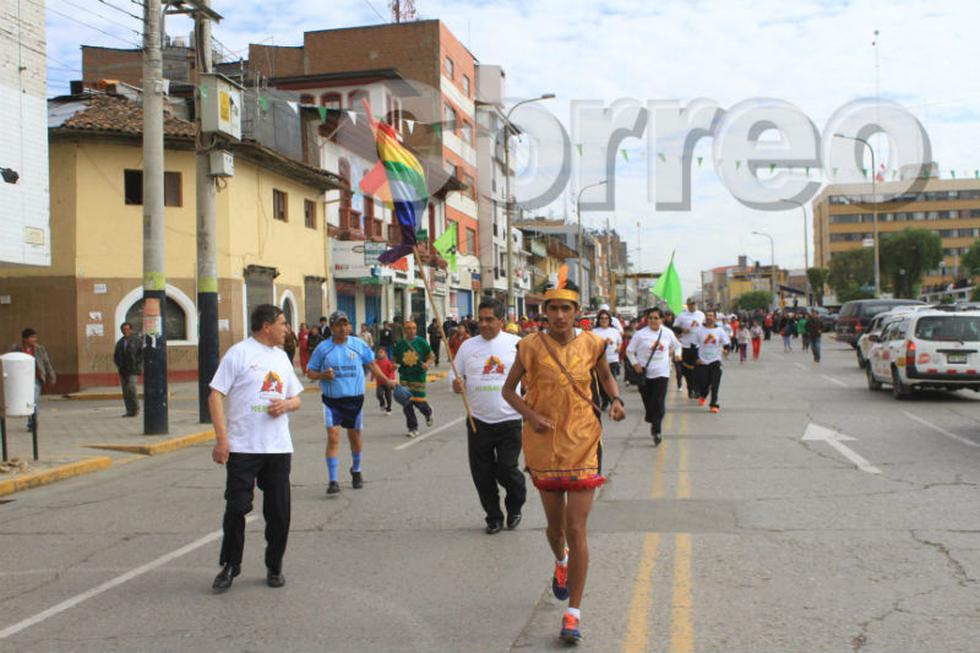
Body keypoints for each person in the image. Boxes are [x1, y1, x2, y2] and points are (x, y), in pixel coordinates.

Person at [502, 277, 625, 645]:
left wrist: (616, 400)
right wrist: (530, 415)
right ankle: (561, 561)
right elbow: (508, 390)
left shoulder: (593, 344)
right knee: (555, 531)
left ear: (576, 313)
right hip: (543, 443)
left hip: (584, 440)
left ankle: (573, 612)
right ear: (545, 313)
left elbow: (604, 379)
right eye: (553, 309)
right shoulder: (528, 346)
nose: (559, 315)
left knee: (576, 527)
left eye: (565, 309)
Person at [208, 304, 303, 593]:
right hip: (243, 446)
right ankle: (230, 565)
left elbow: (296, 398)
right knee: (236, 507)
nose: (286, 329)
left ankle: (274, 565)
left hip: (277, 448)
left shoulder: (282, 359)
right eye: (283, 323)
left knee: (279, 511)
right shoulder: (239, 354)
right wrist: (222, 439)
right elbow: (215, 395)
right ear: (266, 326)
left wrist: (286, 404)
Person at [451, 298, 526, 534]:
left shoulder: (518, 344)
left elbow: (532, 377)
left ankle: (515, 505)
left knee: (507, 470)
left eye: (489, 319)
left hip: (510, 420)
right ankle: (493, 516)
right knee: (482, 476)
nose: (483, 324)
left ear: (501, 321)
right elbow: (454, 376)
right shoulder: (467, 347)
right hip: (478, 422)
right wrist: (456, 384)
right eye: (480, 319)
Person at [307, 311, 396, 495]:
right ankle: (333, 480)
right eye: (339, 325)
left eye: (346, 324)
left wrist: (386, 381)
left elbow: (372, 365)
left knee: (354, 436)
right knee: (333, 437)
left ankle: (356, 470)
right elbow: (310, 372)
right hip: (332, 401)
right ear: (332, 328)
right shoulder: (323, 348)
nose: (343, 328)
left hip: (354, 400)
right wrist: (323, 375)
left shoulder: (359, 345)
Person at [626, 307, 682, 445]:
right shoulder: (640, 334)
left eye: (656, 318)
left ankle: (656, 430)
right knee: (648, 402)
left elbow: (677, 345)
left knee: (658, 401)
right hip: (644, 374)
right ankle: (652, 417)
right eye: (650, 318)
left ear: (661, 319)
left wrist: (677, 354)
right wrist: (635, 364)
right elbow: (629, 351)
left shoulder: (667, 333)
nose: (653, 320)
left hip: (662, 373)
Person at [394, 320, 435, 438]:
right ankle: (413, 428)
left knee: (419, 402)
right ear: (404, 330)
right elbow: (395, 359)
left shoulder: (422, 342)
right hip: (405, 376)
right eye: (408, 328)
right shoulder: (400, 344)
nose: (411, 330)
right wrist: (393, 365)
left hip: (418, 376)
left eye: (413, 328)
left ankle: (428, 412)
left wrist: (427, 364)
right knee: (407, 403)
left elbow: (431, 356)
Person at [11, 328, 56, 431]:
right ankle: (31, 420)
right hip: (21, 380)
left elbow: (46, 362)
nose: (34, 339)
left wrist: (51, 376)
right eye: (32, 337)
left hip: (36, 378)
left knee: (33, 400)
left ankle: (33, 422)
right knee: (26, 401)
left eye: (35, 337)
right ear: (25, 339)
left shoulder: (40, 349)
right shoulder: (16, 349)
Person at [694, 311, 730, 413]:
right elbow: (694, 345)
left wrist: (727, 350)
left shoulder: (720, 331)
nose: (709, 317)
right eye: (707, 316)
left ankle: (714, 404)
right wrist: (696, 358)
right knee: (704, 384)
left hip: (715, 360)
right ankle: (703, 395)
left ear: (715, 318)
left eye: (711, 316)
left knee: (715, 384)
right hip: (703, 361)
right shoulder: (699, 330)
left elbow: (727, 343)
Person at [673, 298, 706, 398]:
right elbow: (674, 327)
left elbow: (705, 326)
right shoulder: (682, 316)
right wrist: (682, 330)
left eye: (694, 304)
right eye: (690, 304)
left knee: (698, 369)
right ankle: (690, 388)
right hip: (686, 347)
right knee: (687, 371)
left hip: (698, 347)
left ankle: (697, 390)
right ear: (687, 305)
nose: (692, 306)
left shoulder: (701, 314)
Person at [591, 310, 623, 410]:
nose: (604, 320)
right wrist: (604, 343)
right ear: (598, 320)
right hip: (599, 361)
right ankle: (604, 400)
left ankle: (613, 400)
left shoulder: (614, 331)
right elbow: (591, 345)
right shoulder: (594, 332)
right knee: (600, 383)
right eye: (602, 318)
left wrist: (619, 348)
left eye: (606, 318)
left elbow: (620, 342)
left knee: (611, 379)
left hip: (612, 359)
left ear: (609, 320)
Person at [112, 321, 142, 417]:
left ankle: (136, 409)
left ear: (131, 330)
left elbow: (141, 354)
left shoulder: (137, 340)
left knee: (131, 389)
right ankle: (129, 410)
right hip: (123, 370)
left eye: (128, 329)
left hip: (133, 369)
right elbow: (116, 356)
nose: (126, 331)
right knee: (125, 391)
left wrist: (137, 364)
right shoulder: (120, 343)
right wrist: (119, 365)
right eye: (124, 329)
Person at [374, 346, 396, 414]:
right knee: (379, 394)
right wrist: (372, 377)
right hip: (379, 382)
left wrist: (394, 368)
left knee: (388, 396)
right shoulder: (376, 362)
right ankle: (382, 403)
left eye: (381, 352)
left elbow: (391, 370)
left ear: (385, 354)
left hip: (388, 382)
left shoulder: (388, 362)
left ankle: (389, 409)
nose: (380, 354)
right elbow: (374, 370)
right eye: (379, 352)